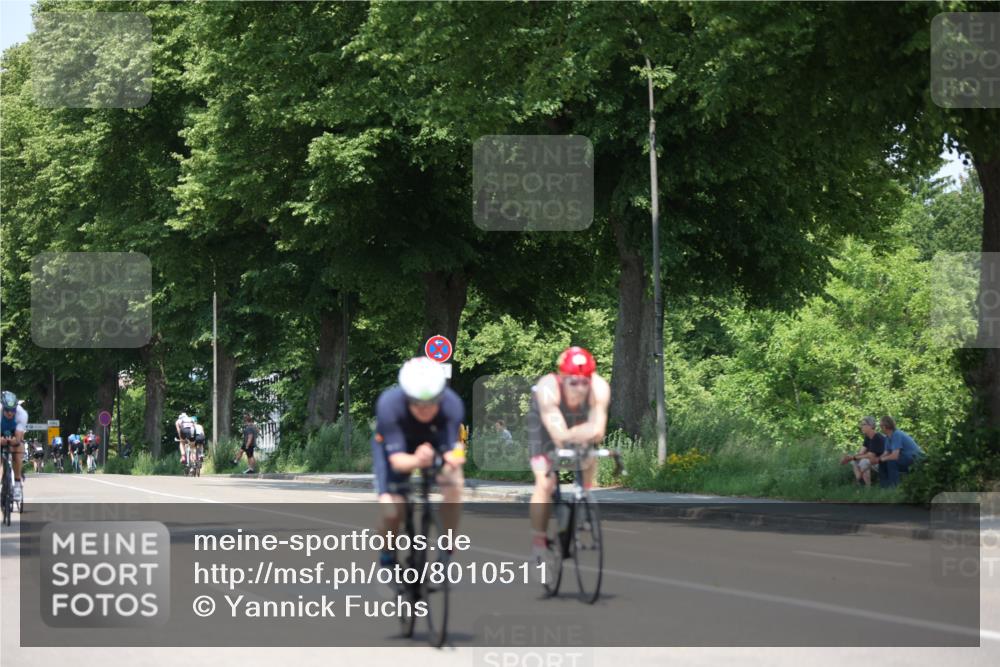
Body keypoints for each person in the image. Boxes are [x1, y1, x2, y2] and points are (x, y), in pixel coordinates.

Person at [371, 357, 465, 570]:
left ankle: (447, 548)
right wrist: (418, 459)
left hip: (434, 439)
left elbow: (455, 450)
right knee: (392, 510)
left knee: (454, 484)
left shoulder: (452, 405)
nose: (424, 409)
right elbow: (397, 462)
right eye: (417, 403)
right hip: (396, 447)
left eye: (431, 403)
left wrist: (452, 461)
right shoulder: (389, 405)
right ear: (406, 396)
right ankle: (387, 557)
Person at [527, 346, 611, 566]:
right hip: (544, 424)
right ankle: (539, 543)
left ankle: (583, 494)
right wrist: (581, 433)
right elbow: (559, 436)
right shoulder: (548, 388)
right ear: (562, 377)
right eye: (574, 382)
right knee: (545, 483)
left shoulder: (600, 387)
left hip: (575, 420)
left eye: (585, 381)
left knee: (589, 451)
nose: (580, 387)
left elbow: (598, 431)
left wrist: (583, 436)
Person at [878, 416, 924, 488]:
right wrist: (877, 460)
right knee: (882, 462)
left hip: (915, 458)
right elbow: (885, 453)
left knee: (891, 461)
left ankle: (895, 486)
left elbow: (894, 456)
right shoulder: (887, 437)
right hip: (904, 458)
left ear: (885, 426)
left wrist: (882, 459)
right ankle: (885, 487)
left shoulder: (896, 434)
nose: (880, 428)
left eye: (881, 426)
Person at [839, 416, 886, 487]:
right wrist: (848, 458)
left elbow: (869, 456)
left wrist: (851, 457)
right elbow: (861, 453)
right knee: (854, 461)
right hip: (875, 461)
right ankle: (860, 482)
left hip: (885, 463)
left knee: (864, 462)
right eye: (861, 424)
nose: (861, 427)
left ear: (871, 426)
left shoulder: (877, 437)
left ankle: (867, 489)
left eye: (863, 424)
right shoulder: (867, 437)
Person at [0, 391, 28, 505]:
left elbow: (18, 438)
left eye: (13, 410)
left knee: (18, 450)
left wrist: (14, 441)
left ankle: (17, 484)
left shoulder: (22, 414)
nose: (10, 413)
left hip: (14, 431)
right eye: (7, 410)